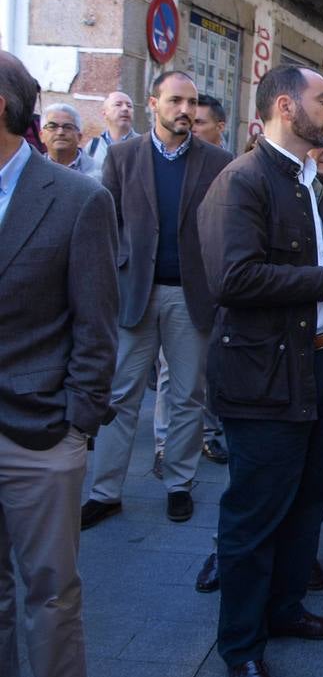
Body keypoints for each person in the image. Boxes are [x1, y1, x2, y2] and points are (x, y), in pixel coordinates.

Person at [198, 65, 323, 677]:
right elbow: (233, 278)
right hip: (264, 377)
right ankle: (241, 649)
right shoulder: (241, 181)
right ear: (283, 106)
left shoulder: (312, 181)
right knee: (253, 517)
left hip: (321, 368)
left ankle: (287, 609)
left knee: (307, 502)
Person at [0, 51, 118, 677]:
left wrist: (77, 425)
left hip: (39, 432)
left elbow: (96, 325)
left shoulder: (77, 199)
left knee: (50, 593)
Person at [81, 70, 233, 529]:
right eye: (175, 101)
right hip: (134, 295)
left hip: (191, 296)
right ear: (153, 103)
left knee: (188, 394)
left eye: (191, 102)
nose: (184, 110)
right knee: (120, 395)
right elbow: (108, 226)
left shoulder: (216, 161)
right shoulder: (123, 157)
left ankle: (179, 484)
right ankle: (105, 491)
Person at [153, 92, 230, 472]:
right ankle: (166, 444)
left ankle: (207, 434)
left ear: (220, 127)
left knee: (207, 370)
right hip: (173, 288)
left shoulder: (226, 166)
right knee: (174, 373)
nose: (191, 125)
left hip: (214, 286)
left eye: (200, 122)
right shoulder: (166, 161)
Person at [40, 101, 102, 181]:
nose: (60, 132)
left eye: (68, 127)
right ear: (41, 136)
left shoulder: (100, 172)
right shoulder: (30, 170)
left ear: (79, 137)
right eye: (52, 126)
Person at [85, 90, 137, 166]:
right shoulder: (93, 146)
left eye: (129, 106)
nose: (125, 109)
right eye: (118, 105)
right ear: (105, 113)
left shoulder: (144, 145)